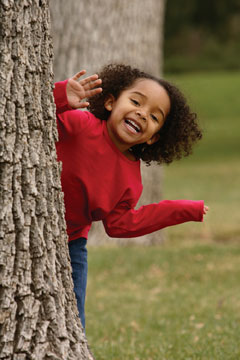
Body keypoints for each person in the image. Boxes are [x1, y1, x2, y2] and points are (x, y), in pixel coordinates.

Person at [53, 64, 209, 329]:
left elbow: (120, 224)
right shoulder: (81, 124)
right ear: (112, 102)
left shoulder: (130, 182)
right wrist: (60, 96)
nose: (142, 114)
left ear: (153, 138)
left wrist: (182, 210)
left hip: (69, 243)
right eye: (136, 101)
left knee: (73, 316)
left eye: (155, 117)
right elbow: (30, 119)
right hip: (20, 220)